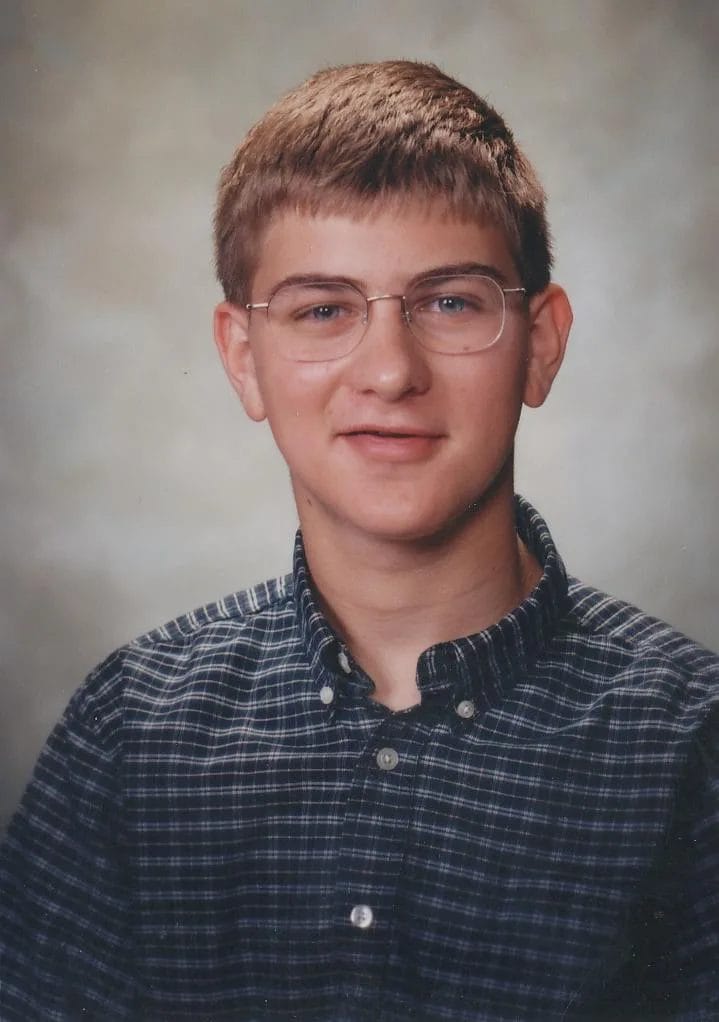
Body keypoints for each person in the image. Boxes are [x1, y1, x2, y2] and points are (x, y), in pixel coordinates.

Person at [1, 59, 717, 1022]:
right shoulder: (132, 735)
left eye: (449, 302)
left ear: (540, 344)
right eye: (323, 310)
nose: (388, 371)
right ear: (242, 359)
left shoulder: (686, 746)